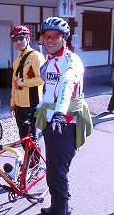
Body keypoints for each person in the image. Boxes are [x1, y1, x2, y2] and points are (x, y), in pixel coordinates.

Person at [34, 17, 92, 215]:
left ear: (64, 38)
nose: (50, 40)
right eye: (46, 36)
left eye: (55, 36)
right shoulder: (49, 62)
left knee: (57, 173)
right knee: (54, 170)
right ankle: (60, 207)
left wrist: (59, 113)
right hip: (52, 123)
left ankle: (60, 211)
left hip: (65, 124)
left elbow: (67, 84)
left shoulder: (71, 61)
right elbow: (50, 93)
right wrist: (39, 109)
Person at [9, 25, 45, 144]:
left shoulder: (36, 57)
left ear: (28, 39)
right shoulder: (17, 61)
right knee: (23, 138)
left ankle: (35, 163)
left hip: (32, 104)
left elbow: (41, 79)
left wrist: (22, 82)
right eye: (15, 39)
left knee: (32, 139)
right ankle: (27, 163)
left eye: (21, 38)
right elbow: (13, 84)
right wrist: (12, 103)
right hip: (19, 106)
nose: (18, 42)